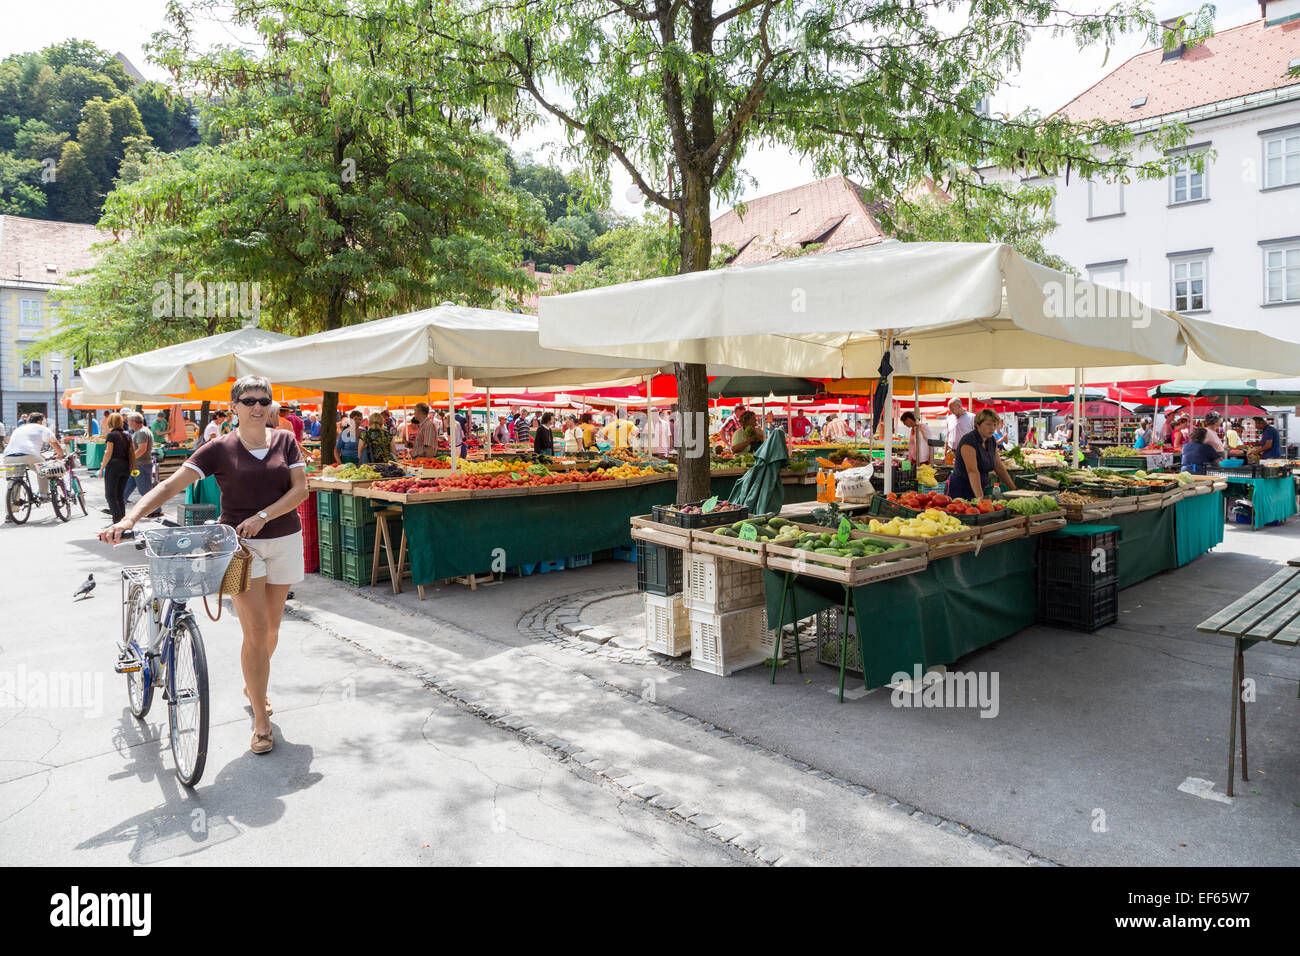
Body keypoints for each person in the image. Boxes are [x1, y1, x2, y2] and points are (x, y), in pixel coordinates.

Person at [101, 375, 309, 755]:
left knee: (273, 629)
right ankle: (261, 719)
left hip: (284, 540)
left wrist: (264, 514)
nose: (258, 407)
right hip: (239, 548)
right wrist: (130, 518)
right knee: (256, 630)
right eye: (249, 401)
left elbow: (300, 490)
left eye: (264, 400)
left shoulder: (286, 440)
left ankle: (253, 683)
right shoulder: (219, 448)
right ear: (234, 407)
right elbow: (169, 487)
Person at [947, 409, 1017, 501]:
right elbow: (972, 471)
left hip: (979, 487)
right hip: (962, 489)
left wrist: (1014, 489)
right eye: (988, 424)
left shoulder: (991, 440)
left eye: (994, 424)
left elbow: (999, 467)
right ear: (978, 424)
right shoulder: (969, 440)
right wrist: (980, 498)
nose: (992, 428)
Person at [2, 412, 65, 504]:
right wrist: (60, 455)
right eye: (44, 421)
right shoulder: (42, 428)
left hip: (8, 456)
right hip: (29, 455)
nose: (45, 423)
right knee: (43, 470)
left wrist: (39, 455)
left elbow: (22, 445)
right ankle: (44, 495)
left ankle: (11, 513)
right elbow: (54, 442)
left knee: (13, 479)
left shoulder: (19, 429)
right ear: (39, 421)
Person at [122, 413, 163, 517]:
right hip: (139, 465)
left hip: (141, 465)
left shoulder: (141, 432)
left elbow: (142, 449)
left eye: (129, 422)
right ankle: (118, 505)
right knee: (128, 486)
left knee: (145, 489)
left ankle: (156, 510)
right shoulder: (142, 431)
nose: (128, 424)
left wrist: (130, 459)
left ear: (134, 422)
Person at [101, 412, 136, 523]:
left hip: (114, 467)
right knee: (120, 495)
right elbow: (131, 451)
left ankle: (117, 521)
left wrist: (102, 468)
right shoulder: (127, 434)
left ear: (110, 422)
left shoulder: (111, 435)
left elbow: (108, 452)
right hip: (125, 466)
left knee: (110, 495)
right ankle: (122, 520)